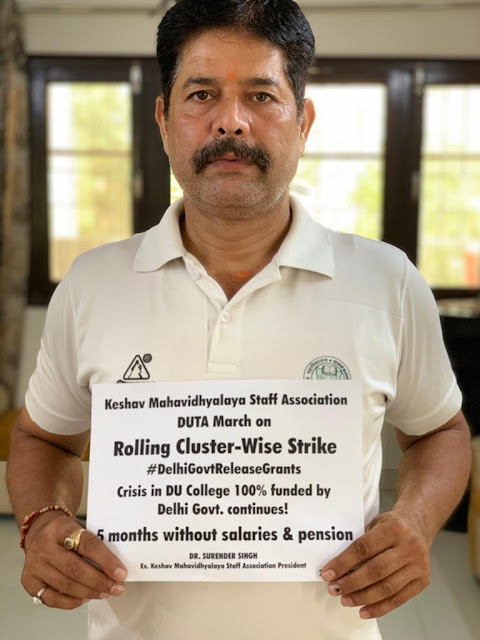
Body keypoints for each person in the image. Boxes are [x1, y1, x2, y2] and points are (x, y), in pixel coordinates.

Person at [7, 1, 471, 638]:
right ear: (163, 120)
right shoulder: (92, 283)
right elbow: (44, 439)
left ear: (303, 121)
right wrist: (43, 520)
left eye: (261, 95)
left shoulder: (388, 281)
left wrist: (415, 521)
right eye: (201, 94)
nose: (231, 120)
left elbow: (440, 430)